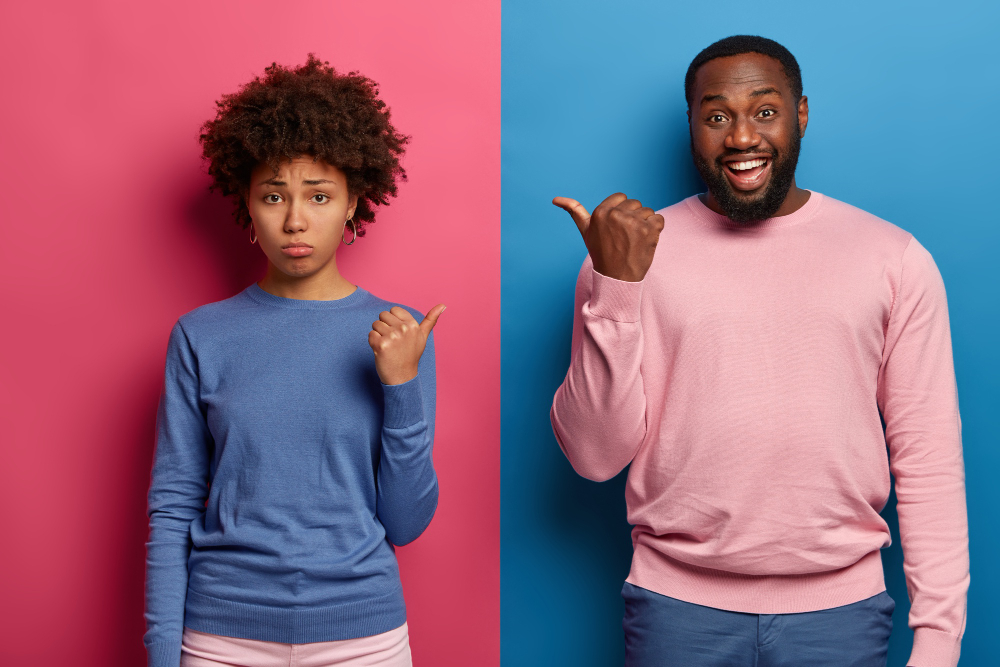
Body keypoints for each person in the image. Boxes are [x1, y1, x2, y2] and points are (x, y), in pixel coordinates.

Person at [551, 35, 968, 667]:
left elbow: (929, 457)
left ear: (801, 115)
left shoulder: (894, 259)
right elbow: (592, 457)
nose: (742, 137)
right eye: (717, 116)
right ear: (692, 126)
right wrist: (615, 288)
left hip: (842, 616)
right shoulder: (628, 258)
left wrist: (938, 639)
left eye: (765, 111)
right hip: (674, 614)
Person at [144, 55, 443, 667]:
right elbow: (173, 505)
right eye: (274, 195)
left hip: (363, 637)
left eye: (319, 195)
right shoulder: (201, 336)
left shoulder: (398, 334)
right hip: (221, 635)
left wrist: (402, 384)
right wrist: (160, 653)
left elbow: (406, 523)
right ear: (247, 205)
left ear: (355, 201)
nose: (296, 220)